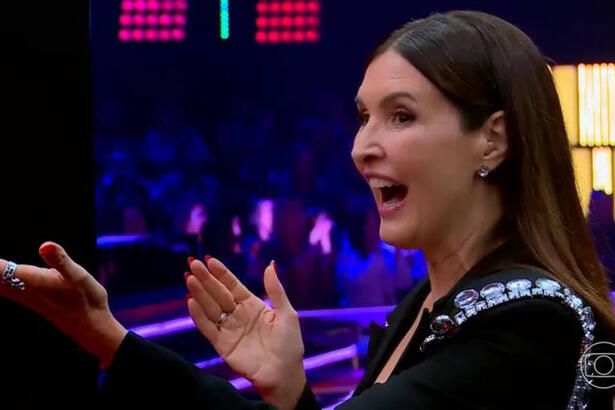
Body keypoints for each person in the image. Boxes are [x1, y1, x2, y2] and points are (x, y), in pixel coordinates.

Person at [1, 10, 615, 410]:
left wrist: (113, 343)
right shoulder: (422, 303)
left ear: (494, 140)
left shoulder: (532, 320)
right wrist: (294, 392)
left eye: (401, 116)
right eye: (363, 117)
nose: (361, 148)